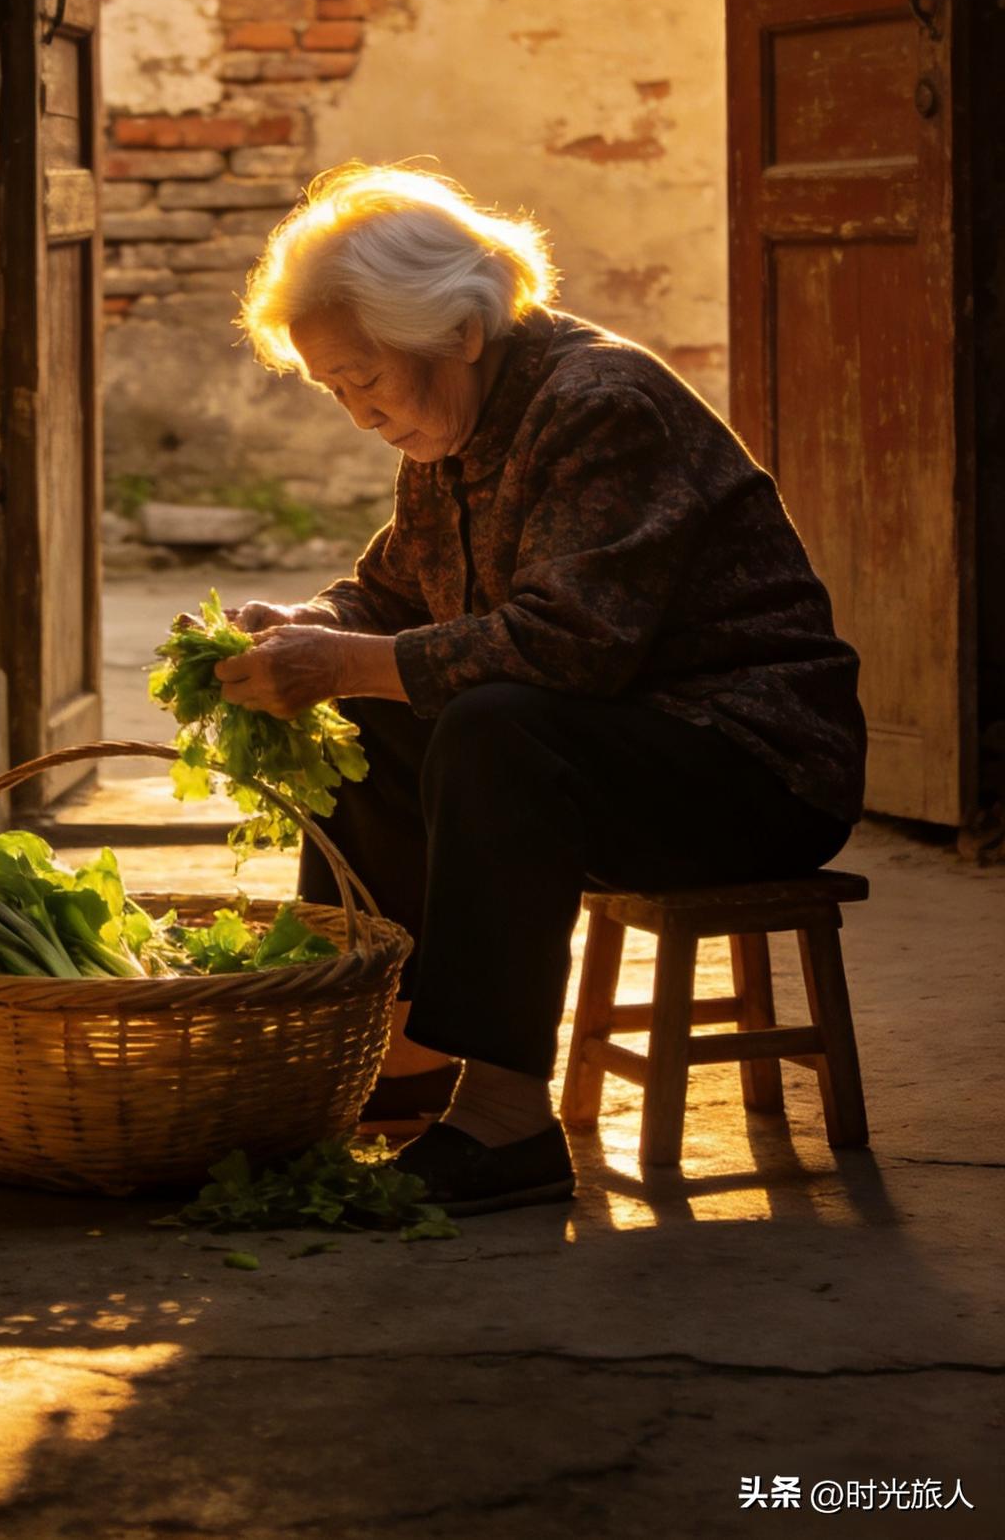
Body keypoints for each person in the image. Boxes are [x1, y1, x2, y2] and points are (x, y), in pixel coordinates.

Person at [212, 163, 865, 1213]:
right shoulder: (452, 424)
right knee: (372, 717)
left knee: (492, 729)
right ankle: (394, 1061)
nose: (356, 412)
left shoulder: (596, 405)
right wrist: (303, 629)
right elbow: (386, 592)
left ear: (457, 333)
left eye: (363, 378)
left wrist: (346, 660)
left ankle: (507, 1118)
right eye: (335, 388)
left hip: (750, 766)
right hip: (615, 745)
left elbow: (570, 649)